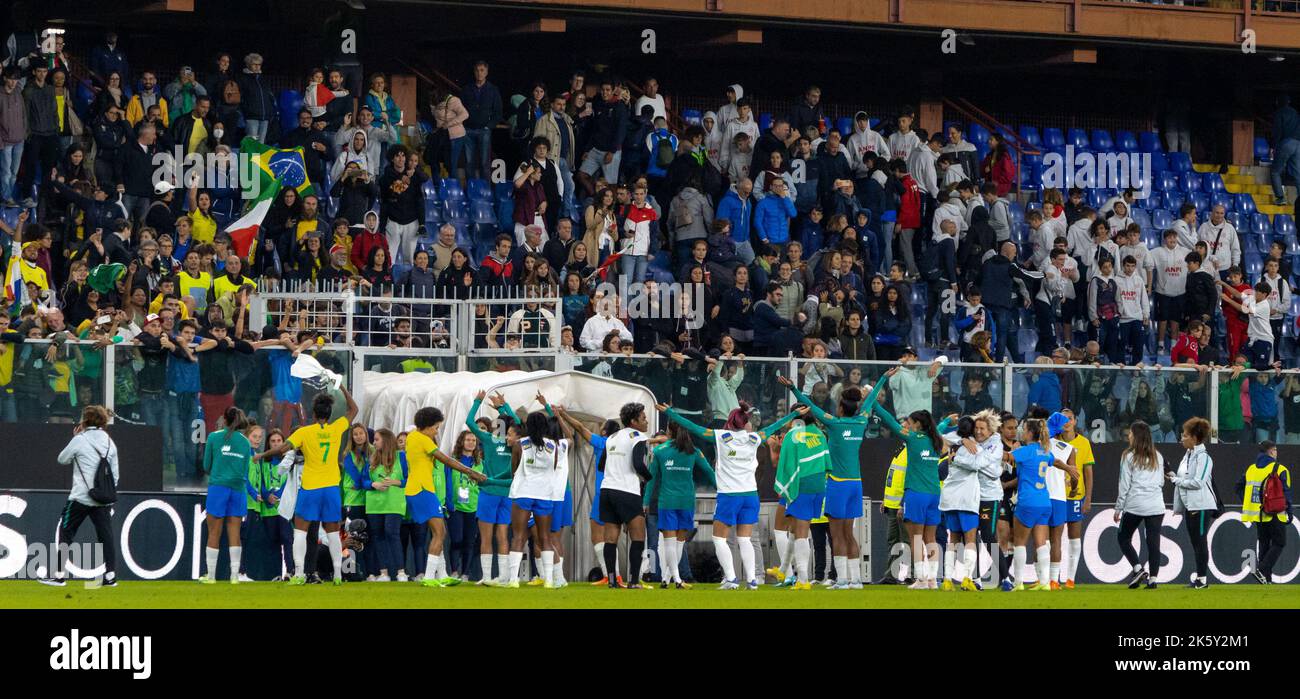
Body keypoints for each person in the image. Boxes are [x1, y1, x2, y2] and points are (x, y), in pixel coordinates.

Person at [658, 400, 807, 590]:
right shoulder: (755, 437)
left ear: (729, 422)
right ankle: (752, 580)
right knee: (744, 539)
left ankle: (731, 579)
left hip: (729, 495)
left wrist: (671, 412)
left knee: (719, 539)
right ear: (745, 422)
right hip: (750, 495)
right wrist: (793, 415)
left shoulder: (720, 436)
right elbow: (774, 427)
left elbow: (693, 427)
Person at [779, 373, 886, 589]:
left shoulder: (834, 424)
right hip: (856, 483)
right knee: (849, 534)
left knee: (836, 534)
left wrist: (793, 389)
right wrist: (882, 378)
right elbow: (871, 399)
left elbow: (810, 406)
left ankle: (843, 580)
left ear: (840, 409)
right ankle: (856, 580)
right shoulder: (861, 420)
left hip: (837, 483)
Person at [253, 386, 359, 586]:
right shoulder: (336, 428)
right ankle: (337, 575)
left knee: (300, 532)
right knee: (333, 532)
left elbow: (282, 449)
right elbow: (354, 410)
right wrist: (342, 387)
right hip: (331, 488)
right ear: (329, 413)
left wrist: (261, 455)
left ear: (313, 413)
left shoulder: (304, 432)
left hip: (310, 487)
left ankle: (300, 573)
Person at [870, 387, 955, 590]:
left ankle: (922, 579)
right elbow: (939, 428)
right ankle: (933, 580)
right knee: (930, 538)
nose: (907, 425)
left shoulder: (912, 438)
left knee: (916, 538)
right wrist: (945, 422)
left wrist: (873, 403)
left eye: (910, 422)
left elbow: (888, 419)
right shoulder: (936, 441)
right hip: (935, 495)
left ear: (917, 424)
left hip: (915, 494)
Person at [406, 406, 488, 587]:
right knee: (440, 533)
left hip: (416, 490)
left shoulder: (412, 436)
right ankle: (429, 577)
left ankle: (442, 574)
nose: (436, 431)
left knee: (438, 532)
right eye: (435, 427)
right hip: (422, 489)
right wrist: (471, 472)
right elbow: (447, 460)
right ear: (427, 426)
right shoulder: (424, 440)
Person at [41, 405, 120, 587]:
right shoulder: (109, 441)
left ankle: (59, 575)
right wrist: (105, 495)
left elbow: (62, 459)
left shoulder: (80, 439)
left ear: (84, 420)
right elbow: (115, 475)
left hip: (79, 498)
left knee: (66, 533)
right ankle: (110, 576)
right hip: (101, 500)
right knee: (106, 536)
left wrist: (75, 438)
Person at [643, 420, 716, 589]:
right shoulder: (694, 451)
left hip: (666, 502)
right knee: (679, 543)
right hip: (687, 501)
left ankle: (671, 578)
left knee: (669, 542)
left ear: (669, 431)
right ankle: (673, 579)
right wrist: (722, 490)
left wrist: (646, 501)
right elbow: (709, 472)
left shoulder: (660, 451)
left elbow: (651, 479)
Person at [507, 407, 572, 588]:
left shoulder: (519, 444)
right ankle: (549, 580)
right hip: (544, 495)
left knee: (518, 536)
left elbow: (514, 469)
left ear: (527, 426)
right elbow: (553, 470)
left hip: (523, 493)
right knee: (544, 537)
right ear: (545, 426)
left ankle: (513, 579)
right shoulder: (554, 447)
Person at [941, 412, 1002, 591]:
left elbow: (942, 435)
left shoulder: (951, 443)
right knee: (969, 539)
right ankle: (968, 578)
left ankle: (947, 579)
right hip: (967, 499)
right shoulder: (977, 448)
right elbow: (981, 466)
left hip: (950, 498)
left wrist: (956, 449)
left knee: (953, 539)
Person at [1008, 418, 1070, 591]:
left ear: (1029, 433)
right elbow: (1054, 461)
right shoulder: (1044, 450)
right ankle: (1044, 583)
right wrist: (1069, 469)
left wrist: (1009, 451)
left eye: (1024, 428)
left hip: (1027, 501)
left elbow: (1007, 457)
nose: (1021, 431)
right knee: (1041, 543)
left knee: (1020, 542)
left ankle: (1018, 582)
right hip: (1044, 501)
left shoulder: (1025, 451)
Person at [768, 413, 829, 590]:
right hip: (818, 485)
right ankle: (783, 570)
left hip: (800, 485)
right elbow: (826, 462)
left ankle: (803, 579)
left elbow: (783, 464)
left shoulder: (792, 435)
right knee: (797, 530)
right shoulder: (819, 434)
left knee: (801, 533)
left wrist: (783, 487)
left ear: (796, 419)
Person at [199, 406, 253, 584]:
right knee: (235, 533)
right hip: (238, 489)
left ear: (224, 419)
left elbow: (206, 465)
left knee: (214, 531)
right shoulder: (245, 442)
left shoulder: (214, 437)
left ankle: (211, 576)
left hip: (218, 488)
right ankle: (234, 576)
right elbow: (246, 469)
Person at [1114, 420, 1166, 590]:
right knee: (1153, 543)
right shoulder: (1158, 456)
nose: (1128, 436)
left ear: (1135, 437)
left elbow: (1124, 484)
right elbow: (1161, 482)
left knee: (1123, 537)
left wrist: (1118, 508)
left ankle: (1137, 568)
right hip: (1156, 505)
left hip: (1135, 504)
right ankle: (1153, 579)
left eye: (1130, 434)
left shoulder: (1128, 456)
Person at [1172, 417, 1217, 589]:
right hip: (1191, 505)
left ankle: (1202, 580)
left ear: (1194, 438)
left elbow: (1198, 482)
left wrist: (1176, 480)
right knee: (1195, 542)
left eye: (1185, 435)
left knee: (1200, 541)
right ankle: (1200, 578)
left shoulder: (1204, 458)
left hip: (1202, 505)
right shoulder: (1188, 456)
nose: (1182, 438)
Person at [1238, 440, 1292, 585]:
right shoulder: (1279, 469)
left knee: (1264, 543)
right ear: (1271, 451)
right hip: (1274, 511)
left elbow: (1238, 487)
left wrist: (1247, 500)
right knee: (1280, 542)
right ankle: (1261, 570)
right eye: (1275, 450)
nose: (1276, 453)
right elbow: (1286, 492)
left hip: (1257, 513)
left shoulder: (1251, 469)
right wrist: (1290, 510)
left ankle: (1266, 580)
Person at [1057, 409, 1094, 588]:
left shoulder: (1084, 443)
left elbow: (1088, 472)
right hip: (1056, 495)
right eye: (1063, 419)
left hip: (1076, 496)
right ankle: (1053, 577)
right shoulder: (1054, 442)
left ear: (1075, 420)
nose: (1067, 422)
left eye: (1069, 418)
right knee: (1054, 537)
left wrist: (1088, 498)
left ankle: (1070, 578)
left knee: (1074, 536)